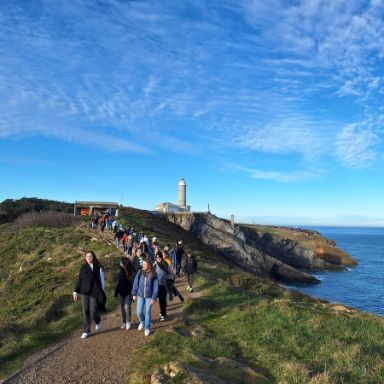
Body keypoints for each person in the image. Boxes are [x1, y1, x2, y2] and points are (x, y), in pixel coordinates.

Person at [73, 251, 105, 339]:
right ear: (85, 257)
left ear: (93, 257)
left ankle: (98, 321)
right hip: (84, 292)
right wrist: (75, 292)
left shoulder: (98, 267)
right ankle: (86, 331)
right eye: (87, 256)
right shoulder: (83, 268)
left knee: (94, 309)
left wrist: (102, 290)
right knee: (85, 311)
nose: (89, 258)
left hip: (94, 291)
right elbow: (79, 280)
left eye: (90, 256)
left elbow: (102, 281)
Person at [131, 256, 159, 336]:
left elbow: (156, 286)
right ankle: (143, 322)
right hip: (140, 295)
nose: (142, 265)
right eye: (142, 263)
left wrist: (154, 297)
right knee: (139, 312)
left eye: (144, 263)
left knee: (147, 312)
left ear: (149, 264)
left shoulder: (153, 274)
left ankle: (147, 328)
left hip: (149, 296)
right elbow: (135, 283)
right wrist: (134, 294)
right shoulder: (140, 272)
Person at [114, 256, 134, 330]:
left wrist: (133, 294)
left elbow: (133, 284)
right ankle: (124, 322)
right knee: (122, 308)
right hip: (120, 293)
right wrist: (116, 292)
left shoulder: (131, 272)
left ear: (124, 263)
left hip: (128, 293)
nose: (120, 263)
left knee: (127, 307)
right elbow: (118, 283)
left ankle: (128, 321)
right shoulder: (120, 271)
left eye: (121, 262)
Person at [154, 251, 169, 321]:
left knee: (162, 300)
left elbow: (168, 273)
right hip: (157, 285)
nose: (158, 258)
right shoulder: (155, 264)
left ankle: (163, 314)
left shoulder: (165, 264)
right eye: (156, 257)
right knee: (160, 300)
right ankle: (162, 311)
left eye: (159, 257)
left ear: (161, 257)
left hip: (164, 285)